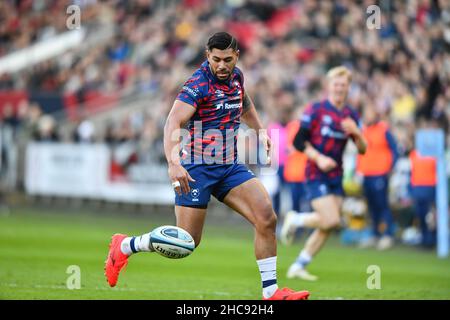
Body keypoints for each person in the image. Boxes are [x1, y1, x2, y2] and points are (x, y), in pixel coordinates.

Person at [104, 32, 310, 300]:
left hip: (228, 166)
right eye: (216, 60)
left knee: (267, 217)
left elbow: (243, 102)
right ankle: (125, 245)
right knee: (186, 242)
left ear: (236, 55)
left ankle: (271, 293)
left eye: (227, 59)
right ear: (207, 56)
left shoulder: (236, 77)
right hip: (196, 168)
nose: (222, 65)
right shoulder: (197, 84)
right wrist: (173, 163)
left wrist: (260, 130)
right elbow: (172, 123)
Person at [280, 66, 367, 281]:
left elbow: (363, 149)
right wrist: (318, 158)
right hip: (315, 171)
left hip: (337, 174)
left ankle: (299, 265)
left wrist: (356, 132)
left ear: (348, 88)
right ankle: (296, 219)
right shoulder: (316, 109)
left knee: (330, 224)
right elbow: (298, 141)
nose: (339, 88)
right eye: (336, 84)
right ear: (329, 86)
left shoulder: (351, 115)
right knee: (331, 219)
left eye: (343, 85)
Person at [356, 106, 399, 250]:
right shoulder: (363, 131)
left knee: (382, 205)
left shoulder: (383, 130)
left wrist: (390, 167)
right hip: (366, 173)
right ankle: (375, 234)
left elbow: (395, 149)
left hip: (380, 173)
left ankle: (387, 235)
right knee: (372, 206)